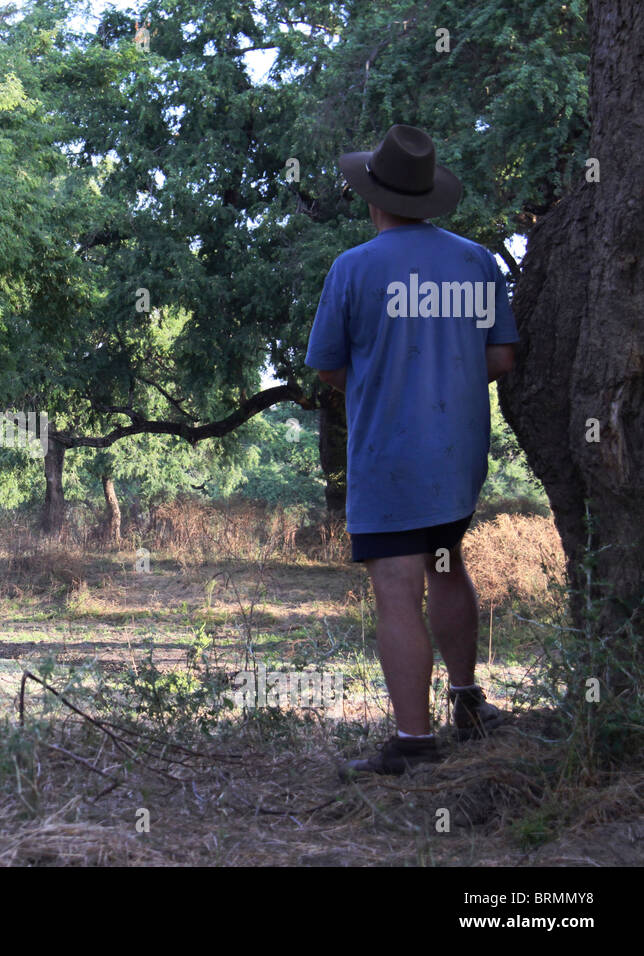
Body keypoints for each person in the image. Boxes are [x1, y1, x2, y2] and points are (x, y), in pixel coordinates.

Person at [305, 124, 520, 775]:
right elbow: (502, 356)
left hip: (389, 458)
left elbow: (328, 368)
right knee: (448, 565)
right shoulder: (477, 261)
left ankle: (414, 744)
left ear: (373, 197)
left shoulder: (353, 268)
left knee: (397, 590)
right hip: (457, 455)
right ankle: (467, 698)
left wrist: (385, 380)